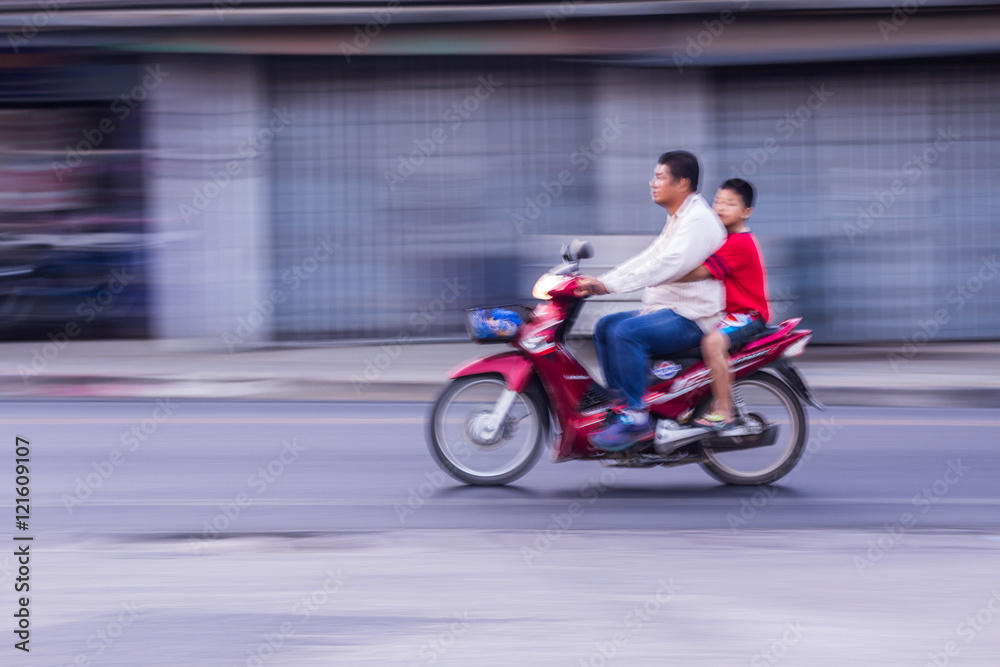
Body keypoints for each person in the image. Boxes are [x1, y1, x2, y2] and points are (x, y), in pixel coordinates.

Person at [575, 151, 726, 451]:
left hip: (692, 316)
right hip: (670, 308)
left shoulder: (696, 220)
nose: (652, 183)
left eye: (659, 177)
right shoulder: (679, 218)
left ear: (682, 183)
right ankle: (624, 406)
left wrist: (608, 285)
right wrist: (602, 281)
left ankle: (637, 417)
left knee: (626, 333)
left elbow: (665, 264)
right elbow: (649, 257)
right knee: (605, 326)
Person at [676, 178, 771, 430]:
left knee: (712, 343)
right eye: (718, 201)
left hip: (748, 314)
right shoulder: (726, 238)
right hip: (731, 313)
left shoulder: (738, 243)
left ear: (746, 212)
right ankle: (696, 405)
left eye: (730, 203)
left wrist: (667, 273)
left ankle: (724, 410)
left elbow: (700, 272)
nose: (721, 207)